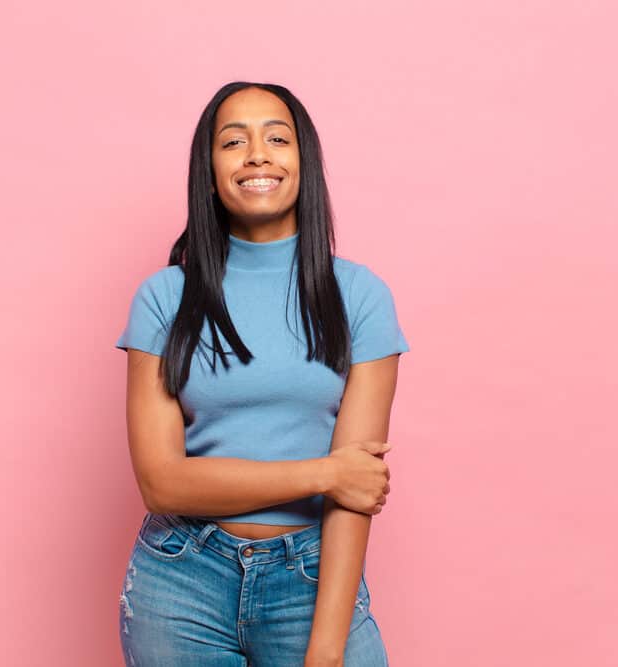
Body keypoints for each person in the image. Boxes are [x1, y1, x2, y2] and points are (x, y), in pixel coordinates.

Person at [114, 81, 410, 666]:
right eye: (233, 141)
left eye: (278, 137)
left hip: (311, 574)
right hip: (181, 578)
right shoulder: (164, 298)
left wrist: (325, 650)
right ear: (211, 168)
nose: (257, 154)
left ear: (304, 162)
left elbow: (356, 492)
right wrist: (325, 472)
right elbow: (162, 483)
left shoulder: (360, 296)